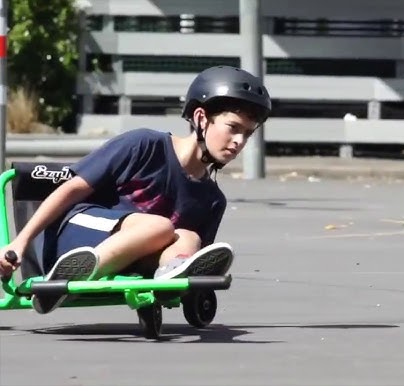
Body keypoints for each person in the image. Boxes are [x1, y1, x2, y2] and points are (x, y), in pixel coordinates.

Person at [0, 65, 272, 314]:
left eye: (247, 134)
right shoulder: (143, 145)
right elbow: (67, 191)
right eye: (233, 128)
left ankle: (170, 279)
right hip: (73, 236)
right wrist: (19, 243)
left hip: (129, 258)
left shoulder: (213, 200)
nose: (239, 141)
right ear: (201, 118)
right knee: (160, 227)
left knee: (188, 238)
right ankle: (67, 278)